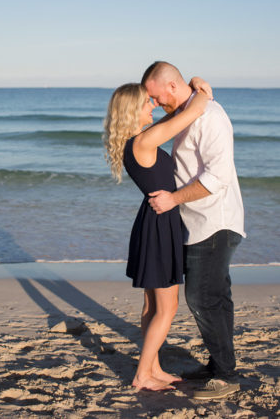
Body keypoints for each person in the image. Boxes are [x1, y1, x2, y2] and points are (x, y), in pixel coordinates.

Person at [141, 61, 245, 400]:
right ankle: (219, 365)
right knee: (217, 296)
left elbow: (219, 177)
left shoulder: (210, 117)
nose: (155, 105)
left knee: (201, 297)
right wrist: (200, 86)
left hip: (215, 221)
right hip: (195, 222)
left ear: (171, 86)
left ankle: (226, 377)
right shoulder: (186, 110)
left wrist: (173, 199)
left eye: (156, 97)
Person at [103, 81, 211, 391]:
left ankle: (153, 367)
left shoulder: (135, 141)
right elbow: (192, 112)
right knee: (168, 307)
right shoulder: (143, 142)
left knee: (153, 306)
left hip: (154, 222)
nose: (153, 106)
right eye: (147, 102)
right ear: (132, 110)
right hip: (160, 225)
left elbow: (173, 117)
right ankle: (142, 375)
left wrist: (188, 97)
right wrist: (199, 89)